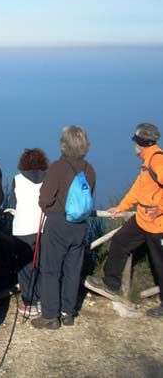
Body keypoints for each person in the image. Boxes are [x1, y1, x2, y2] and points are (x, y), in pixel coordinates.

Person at [86, 123, 163, 318]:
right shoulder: (148, 161)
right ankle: (111, 283)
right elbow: (138, 189)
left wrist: (161, 209)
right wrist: (121, 207)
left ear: (141, 143)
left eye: (135, 142)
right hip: (143, 219)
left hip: (157, 224)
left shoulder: (157, 160)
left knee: (160, 263)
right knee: (120, 240)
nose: (133, 146)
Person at [32, 126, 95, 329]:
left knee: (50, 269)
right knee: (72, 269)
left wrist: (47, 206)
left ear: (64, 144)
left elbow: (45, 199)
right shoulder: (89, 169)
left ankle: (50, 315)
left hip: (58, 223)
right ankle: (68, 312)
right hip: (80, 225)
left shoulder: (57, 167)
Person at [8, 148, 49, 316]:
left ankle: (28, 302)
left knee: (25, 267)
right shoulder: (49, 178)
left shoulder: (17, 179)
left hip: (22, 228)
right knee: (42, 264)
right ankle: (42, 300)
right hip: (44, 227)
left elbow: (12, 201)